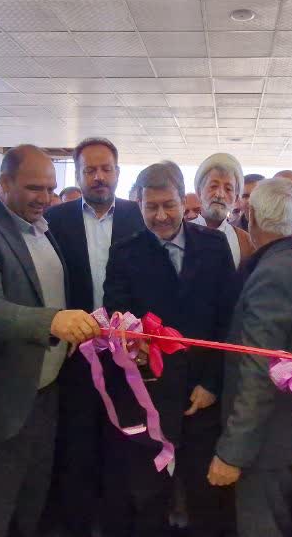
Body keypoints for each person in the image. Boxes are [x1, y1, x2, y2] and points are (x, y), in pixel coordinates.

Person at [0, 145, 102, 537]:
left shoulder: (42, 227)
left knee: (31, 508)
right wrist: (54, 322)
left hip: (45, 396)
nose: (45, 198)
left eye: (50, 189)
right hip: (4, 405)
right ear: (4, 182)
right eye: (34, 188)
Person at [99, 163, 239, 537]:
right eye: (151, 207)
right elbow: (117, 315)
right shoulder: (125, 252)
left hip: (201, 394)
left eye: (169, 205)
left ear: (183, 200)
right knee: (148, 496)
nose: (161, 216)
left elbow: (228, 321)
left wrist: (212, 384)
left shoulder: (213, 245)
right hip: (149, 394)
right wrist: (134, 351)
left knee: (205, 497)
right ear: (139, 205)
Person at [43, 137, 145, 537]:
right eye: (90, 170)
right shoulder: (55, 220)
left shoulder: (139, 216)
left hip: (128, 356)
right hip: (74, 355)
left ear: (118, 172)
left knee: (122, 448)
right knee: (78, 448)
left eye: (106, 169)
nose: (98, 177)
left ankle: (118, 524)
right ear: (78, 173)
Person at [210, 178, 292, 537]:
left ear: (252, 216)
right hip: (278, 436)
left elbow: (260, 371)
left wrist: (233, 452)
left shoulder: (274, 274)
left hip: (265, 443)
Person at [192, 154, 255, 268]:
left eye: (228, 189)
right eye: (213, 186)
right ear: (199, 191)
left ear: (236, 198)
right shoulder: (180, 233)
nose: (219, 194)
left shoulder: (245, 241)